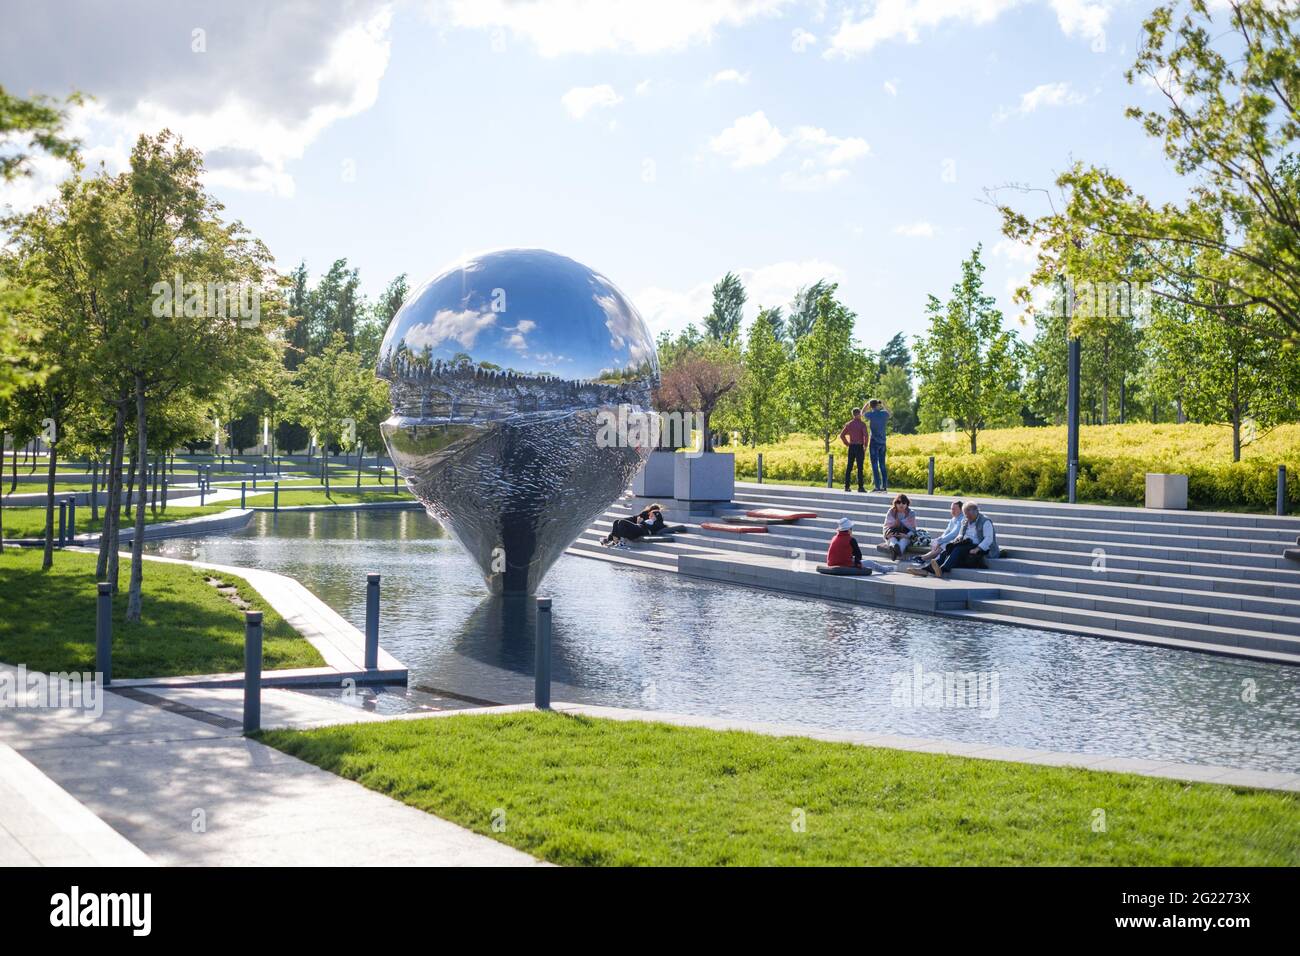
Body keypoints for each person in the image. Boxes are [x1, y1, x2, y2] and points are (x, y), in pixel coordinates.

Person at [929, 503, 999, 577]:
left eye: (969, 515)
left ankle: (943, 569)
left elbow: (988, 539)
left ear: (976, 512)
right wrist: (959, 537)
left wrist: (977, 548)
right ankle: (928, 568)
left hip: (980, 546)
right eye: (966, 515)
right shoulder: (965, 520)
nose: (967, 517)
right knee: (949, 548)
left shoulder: (985, 521)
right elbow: (961, 533)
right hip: (967, 543)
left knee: (958, 549)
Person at [905, 499, 963, 575]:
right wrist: (939, 539)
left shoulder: (962, 519)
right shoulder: (953, 519)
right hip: (950, 542)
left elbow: (954, 533)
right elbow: (946, 532)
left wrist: (940, 541)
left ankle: (923, 560)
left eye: (954, 509)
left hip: (957, 543)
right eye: (951, 509)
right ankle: (924, 563)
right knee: (941, 544)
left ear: (961, 510)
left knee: (944, 545)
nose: (952, 511)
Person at [601, 503, 665, 547]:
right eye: (652, 514)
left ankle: (611, 540)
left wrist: (641, 523)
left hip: (638, 528)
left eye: (656, 513)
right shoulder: (645, 514)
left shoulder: (657, 521)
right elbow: (637, 520)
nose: (656, 513)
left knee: (621, 523)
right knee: (616, 522)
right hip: (634, 524)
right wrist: (641, 522)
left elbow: (650, 526)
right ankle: (613, 540)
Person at [863, 398, 891, 492]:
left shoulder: (871, 415)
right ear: (878, 405)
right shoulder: (883, 414)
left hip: (874, 442)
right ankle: (884, 487)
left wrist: (867, 404)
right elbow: (890, 412)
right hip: (883, 442)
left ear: (871, 406)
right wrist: (883, 403)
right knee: (882, 464)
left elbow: (862, 412)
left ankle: (877, 487)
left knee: (875, 464)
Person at [838, 407, 868, 493]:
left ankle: (847, 486)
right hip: (859, 447)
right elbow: (866, 435)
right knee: (860, 467)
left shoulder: (849, 424)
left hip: (852, 447)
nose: (861, 415)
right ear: (858, 414)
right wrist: (865, 446)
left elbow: (842, 435)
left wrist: (847, 444)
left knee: (849, 467)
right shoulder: (862, 424)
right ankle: (860, 487)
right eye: (860, 414)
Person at [881, 493, 917, 559]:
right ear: (895, 503)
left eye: (903, 502)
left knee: (904, 541)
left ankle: (895, 552)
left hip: (906, 534)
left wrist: (907, 535)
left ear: (907, 504)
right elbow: (886, 526)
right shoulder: (891, 512)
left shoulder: (911, 513)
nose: (901, 504)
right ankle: (895, 548)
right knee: (892, 539)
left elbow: (913, 529)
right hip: (893, 534)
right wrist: (887, 535)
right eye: (898, 502)